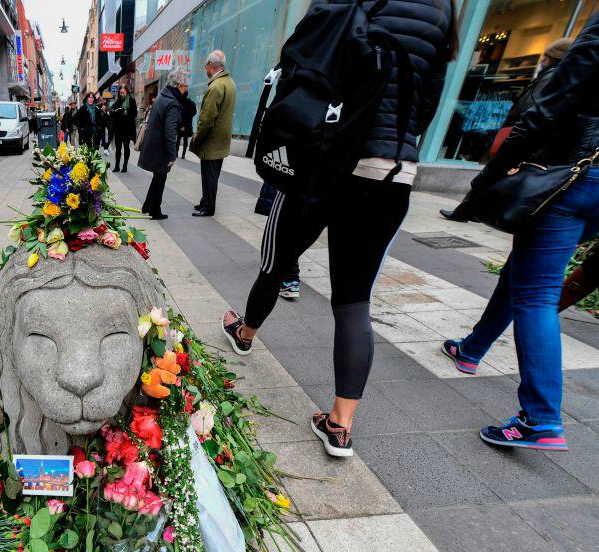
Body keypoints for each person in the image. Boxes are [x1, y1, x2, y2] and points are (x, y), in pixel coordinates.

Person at [222, 0, 456, 459]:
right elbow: (426, 102)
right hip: (391, 172)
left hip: (325, 161)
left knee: (276, 260)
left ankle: (245, 334)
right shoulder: (444, 10)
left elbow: (300, 61)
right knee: (353, 301)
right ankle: (340, 425)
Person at [442, 16, 599, 452]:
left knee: (537, 295)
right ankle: (471, 349)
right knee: (526, 269)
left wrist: (486, 180)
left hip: (572, 176)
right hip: (593, 187)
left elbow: (547, 110)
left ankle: (541, 419)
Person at [442, 37, 574, 222]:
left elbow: (531, 106)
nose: (543, 59)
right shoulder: (555, 75)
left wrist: (516, 127)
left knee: (493, 173)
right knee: (494, 173)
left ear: (554, 57)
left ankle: (467, 211)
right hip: (521, 132)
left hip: (520, 133)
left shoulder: (552, 76)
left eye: (547, 56)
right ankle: (469, 211)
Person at [139, 67, 189, 221]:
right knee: (160, 179)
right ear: (178, 85)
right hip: (161, 148)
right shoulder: (172, 103)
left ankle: (148, 205)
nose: (186, 89)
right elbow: (170, 132)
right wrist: (172, 155)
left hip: (153, 145)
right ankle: (155, 209)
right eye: (185, 86)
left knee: (158, 177)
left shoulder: (162, 96)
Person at [190, 50, 236, 217]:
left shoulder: (216, 86)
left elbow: (207, 119)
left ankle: (208, 207)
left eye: (206, 66)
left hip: (212, 140)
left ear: (210, 65)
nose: (205, 70)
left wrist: (196, 139)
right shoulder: (229, 82)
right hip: (222, 140)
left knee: (209, 176)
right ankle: (205, 202)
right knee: (213, 175)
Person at [110, 85, 138, 173]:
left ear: (127, 92)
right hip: (118, 128)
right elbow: (111, 111)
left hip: (127, 128)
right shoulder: (117, 101)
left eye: (123, 92)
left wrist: (126, 113)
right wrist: (116, 111)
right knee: (118, 148)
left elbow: (134, 114)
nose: (122, 94)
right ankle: (117, 166)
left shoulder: (131, 100)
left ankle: (125, 166)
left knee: (126, 147)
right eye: (120, 92)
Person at [177, 93, 197, 159]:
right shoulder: (192, 103)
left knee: (178, 139)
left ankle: (176, 153)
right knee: (185, 140)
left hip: (181, 124)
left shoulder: (181, 103)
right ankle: (183, 154)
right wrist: (190, 117)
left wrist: (181, 125)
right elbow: (195, 112)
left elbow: (179, 114)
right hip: (188, 124)